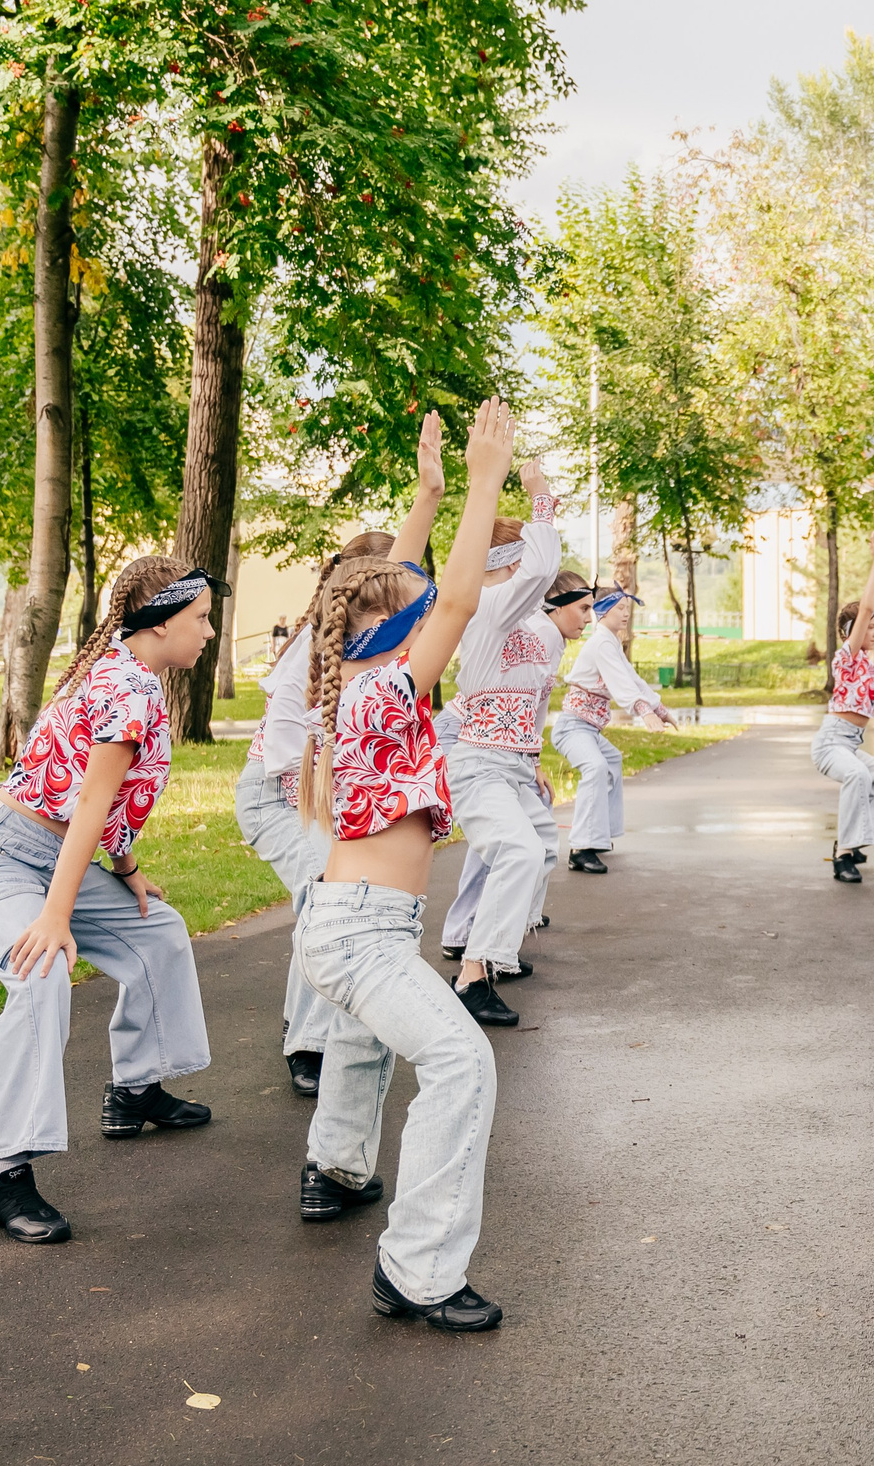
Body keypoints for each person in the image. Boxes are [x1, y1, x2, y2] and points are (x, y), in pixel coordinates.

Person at [292, 398, 515, 1332]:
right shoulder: (383, 687)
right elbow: (454, 597)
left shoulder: (362, 683)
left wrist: (425, 496)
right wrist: (482, 483)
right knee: (462, 1063)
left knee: (380, 1045)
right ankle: (416, 1271)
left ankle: (337, 1168)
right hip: (359, 931)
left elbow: (410, 582)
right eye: (404, 600)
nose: (423, 600)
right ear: (379, 626)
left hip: (362, 923)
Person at [0, 554, 221, 1245]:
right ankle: (5, 1171)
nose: (210, 632)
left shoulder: (136, 677)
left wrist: (128, 871)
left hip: (51, 857)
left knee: (157, 929)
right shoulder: (130, 687)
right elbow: (93, 803)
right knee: (41, 972)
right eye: (201, 619)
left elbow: (107, 807)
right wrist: (56, 916)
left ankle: (135, 1087)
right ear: (159, 624)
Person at [242, 520, 419, 1096]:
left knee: (335, 896)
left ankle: (311, 1025)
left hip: (313, 794)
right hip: (279, 796)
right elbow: (281, 755)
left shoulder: (370, 646)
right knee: (328, 896)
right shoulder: (316, 648)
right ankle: (309, 1044)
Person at [443, 475, 577, 1027]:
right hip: (475, 761)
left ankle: (493, 953)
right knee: (519, 851)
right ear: (508, 561)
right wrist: (540, 497)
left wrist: (535, 759)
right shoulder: (486, 606)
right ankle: (472, 975)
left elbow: (537, 697)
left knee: (542, 847)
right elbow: (544, 569)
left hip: (514, 764)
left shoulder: (538, 630)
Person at [552, 586, 676, 873]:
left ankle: (597, 837)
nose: (626, 613)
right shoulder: (601, 644)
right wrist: (643, 712)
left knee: (611, 761)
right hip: (572, 728)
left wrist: (660, 710)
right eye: (620, 608)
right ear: (603, 611)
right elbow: (621, 684)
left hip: (588, 730)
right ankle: (580, 848)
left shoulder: (610, 643)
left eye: (627, 608)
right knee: (595, 767)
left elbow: (632, 679)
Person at [813, 568, 874, 884]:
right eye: (869, 628)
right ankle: (843, 854)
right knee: (857, 773)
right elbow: (865, 609)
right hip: (831, 741)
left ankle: (856, 841)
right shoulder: (845, 657)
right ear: (852, 632)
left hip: (848, 741)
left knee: (871, 770)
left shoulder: (865, 660)